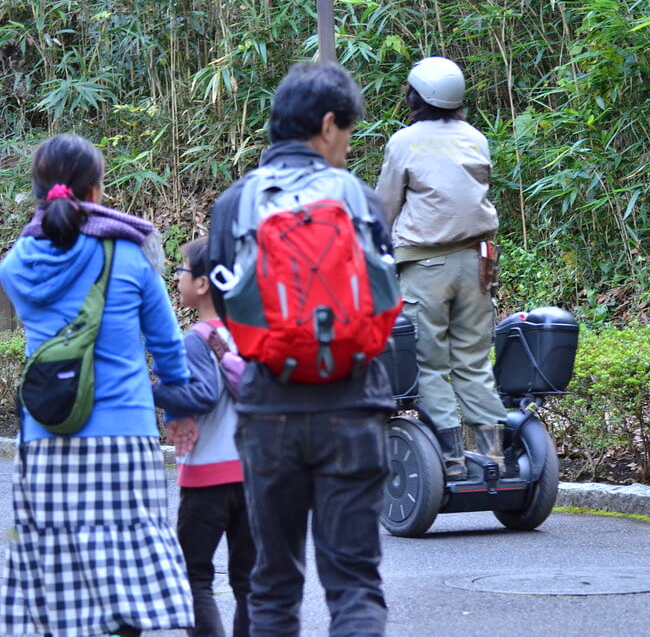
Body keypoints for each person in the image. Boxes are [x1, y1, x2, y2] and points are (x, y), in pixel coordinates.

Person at [207, 61, 391, 637]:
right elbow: (387, 300)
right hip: (354, 405)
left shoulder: (235, 203)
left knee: (274, 584)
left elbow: (227, 308)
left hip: (268, 412)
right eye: (349, 134)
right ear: (329, 124)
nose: (346, 146)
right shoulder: (360, 198)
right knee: (355, 583)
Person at [0, 133, 194, 637]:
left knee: (59, 574)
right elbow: (168, 346)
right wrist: (179, 412)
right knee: (125, 571)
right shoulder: (127, 255)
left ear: (40, 191)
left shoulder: (17, 263)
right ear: (95, 190)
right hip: (124, 435)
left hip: (47, 436)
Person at [375, 56, 508, 481]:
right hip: (476, 263)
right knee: (472, 360)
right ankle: (494, 454)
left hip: (425, 266)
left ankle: (449, 459)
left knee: (429, 362)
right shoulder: (475, 137)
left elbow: (385, 207)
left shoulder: (404, 142)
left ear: (414, 96)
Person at [153, 235, 255, 637]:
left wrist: (148, 389)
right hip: (251, 474)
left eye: (181, 270)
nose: (176, 277)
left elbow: (202, 394)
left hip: (208, 478)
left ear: (203, 284)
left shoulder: (197, 337)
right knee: (247, 581)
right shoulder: (248, 333)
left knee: (194, 576)